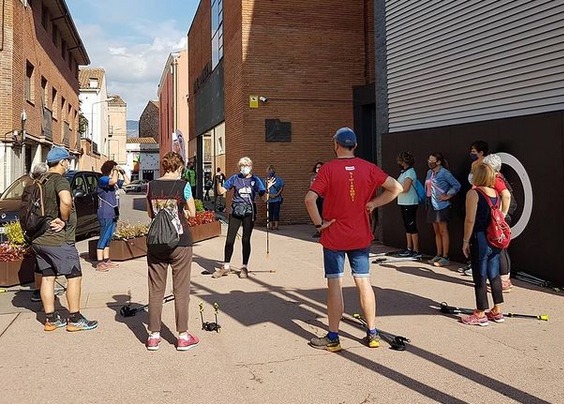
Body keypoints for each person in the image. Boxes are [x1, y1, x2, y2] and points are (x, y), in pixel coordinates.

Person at [305, 127, 403, 352]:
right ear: (355, 146)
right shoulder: (368, 168)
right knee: (363, 281)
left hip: (334, 236)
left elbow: (310, 199)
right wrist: (374, 203)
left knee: (335, 283)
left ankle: (333, 338)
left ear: (335, 144)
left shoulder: (328, 169)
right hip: (360, 235)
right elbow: (396, 188)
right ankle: (372, 333)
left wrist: (320, 224)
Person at [31, 146, 98, 332]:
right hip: (57, 239)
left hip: (38, 239)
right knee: (74, 275)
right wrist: (64, 219)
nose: (68, 163)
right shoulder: (59, 180)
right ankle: (75, 318)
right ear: (62, 162)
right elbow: (66, 201)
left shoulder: (40, 180)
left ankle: (50, 319)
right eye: (67, 160)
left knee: (47, 277)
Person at [145, 151, 198, 351]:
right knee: (181, 289)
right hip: (180, 242)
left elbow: (151, 214)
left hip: (156, 241)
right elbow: (192, 213)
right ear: (178, 167)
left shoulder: (151, 186)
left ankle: (153, 336)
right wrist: (182, 211)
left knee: (156, 289)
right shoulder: (183, 186)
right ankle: (183, 336)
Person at [461, 163, 504, 325]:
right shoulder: (495, 193)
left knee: (479, 274)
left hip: (479, 237)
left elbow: (470, 219)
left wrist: (465, 240)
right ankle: (497, 310)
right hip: (494, 237)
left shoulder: (474, 193)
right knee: (494, 273)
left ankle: (480, 312)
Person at [212, 157, 266, 279]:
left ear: (251, 166)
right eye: (241, 165)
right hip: (236, 211)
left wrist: (268, 189)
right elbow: (221, 191)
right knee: (230, 240)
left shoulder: (255, 180)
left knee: (245, 240)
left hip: (249, 212)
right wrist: (218, 180)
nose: (244, 167)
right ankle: (226, 266)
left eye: (246, 165)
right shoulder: (235, 178)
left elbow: (264, 198)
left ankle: (244, 267)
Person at [483, 154, 513, 292]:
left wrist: (501, 215)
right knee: (500, 249)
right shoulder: (497, 177)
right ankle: (503, 279)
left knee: (500, 249)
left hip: (499, 219)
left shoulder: (496, 178)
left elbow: (506, 195)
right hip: (498, 218)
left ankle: (504, 281)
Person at [425, 152, 461, 267]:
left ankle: (445, 256)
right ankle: (438, 254)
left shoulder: (445, 173)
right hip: (432, 205)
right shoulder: (429, 172)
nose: (429, 162)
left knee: (443, 230)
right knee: (436, 231)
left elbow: (456, 185)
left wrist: (447, 195)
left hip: (442, 206)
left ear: (438, 162)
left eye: (432, 160)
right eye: (429, 160)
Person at [96, 160, 130, 272]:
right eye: (113, 169)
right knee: (104, 236)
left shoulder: (114, 182)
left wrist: (123, 171)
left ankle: (106, 259)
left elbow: (128, 183)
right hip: (105, 212)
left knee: (109, 237)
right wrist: (115, 169)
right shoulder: (103, 179)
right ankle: (100, 262)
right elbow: (113, 180)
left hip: (113, 212)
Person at [28, 162, 49, 303]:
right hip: (42, 227)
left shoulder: (29, 186)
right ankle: (44, 292)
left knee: (38, 261)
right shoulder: (43, 187)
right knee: (46, 264)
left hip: (31, 227)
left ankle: (37, 290)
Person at [396, 152, 421, 258]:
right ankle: (409, 247)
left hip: (410, 202)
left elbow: (405, 188)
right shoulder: (403, 172)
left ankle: (415, 249)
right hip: (403, 201)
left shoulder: (410, 173)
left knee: (411, 225)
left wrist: (395, 187)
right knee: (407, 225)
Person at [265, 164, 284, 230]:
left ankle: (276, 225)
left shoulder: (279, 179)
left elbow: (281, 187)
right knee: (270, 212)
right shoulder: (266, 180)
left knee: (276, 212)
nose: (270, 172)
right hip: (269, 199)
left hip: (277, 199)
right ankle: (270, 225)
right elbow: (264, 189)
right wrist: (270, 195)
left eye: (271, 170)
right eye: (269, 171)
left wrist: (276, 195)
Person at [310, 161, 324, 238]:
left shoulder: (325, 176)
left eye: (320, 167)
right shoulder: (313, 177)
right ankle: (318, 231)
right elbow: (311, 187)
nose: (318, 169)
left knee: (323, 213)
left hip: (323, 197)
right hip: (316, 197)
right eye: (317, 167)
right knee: (316, 213)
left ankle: (324, 231)